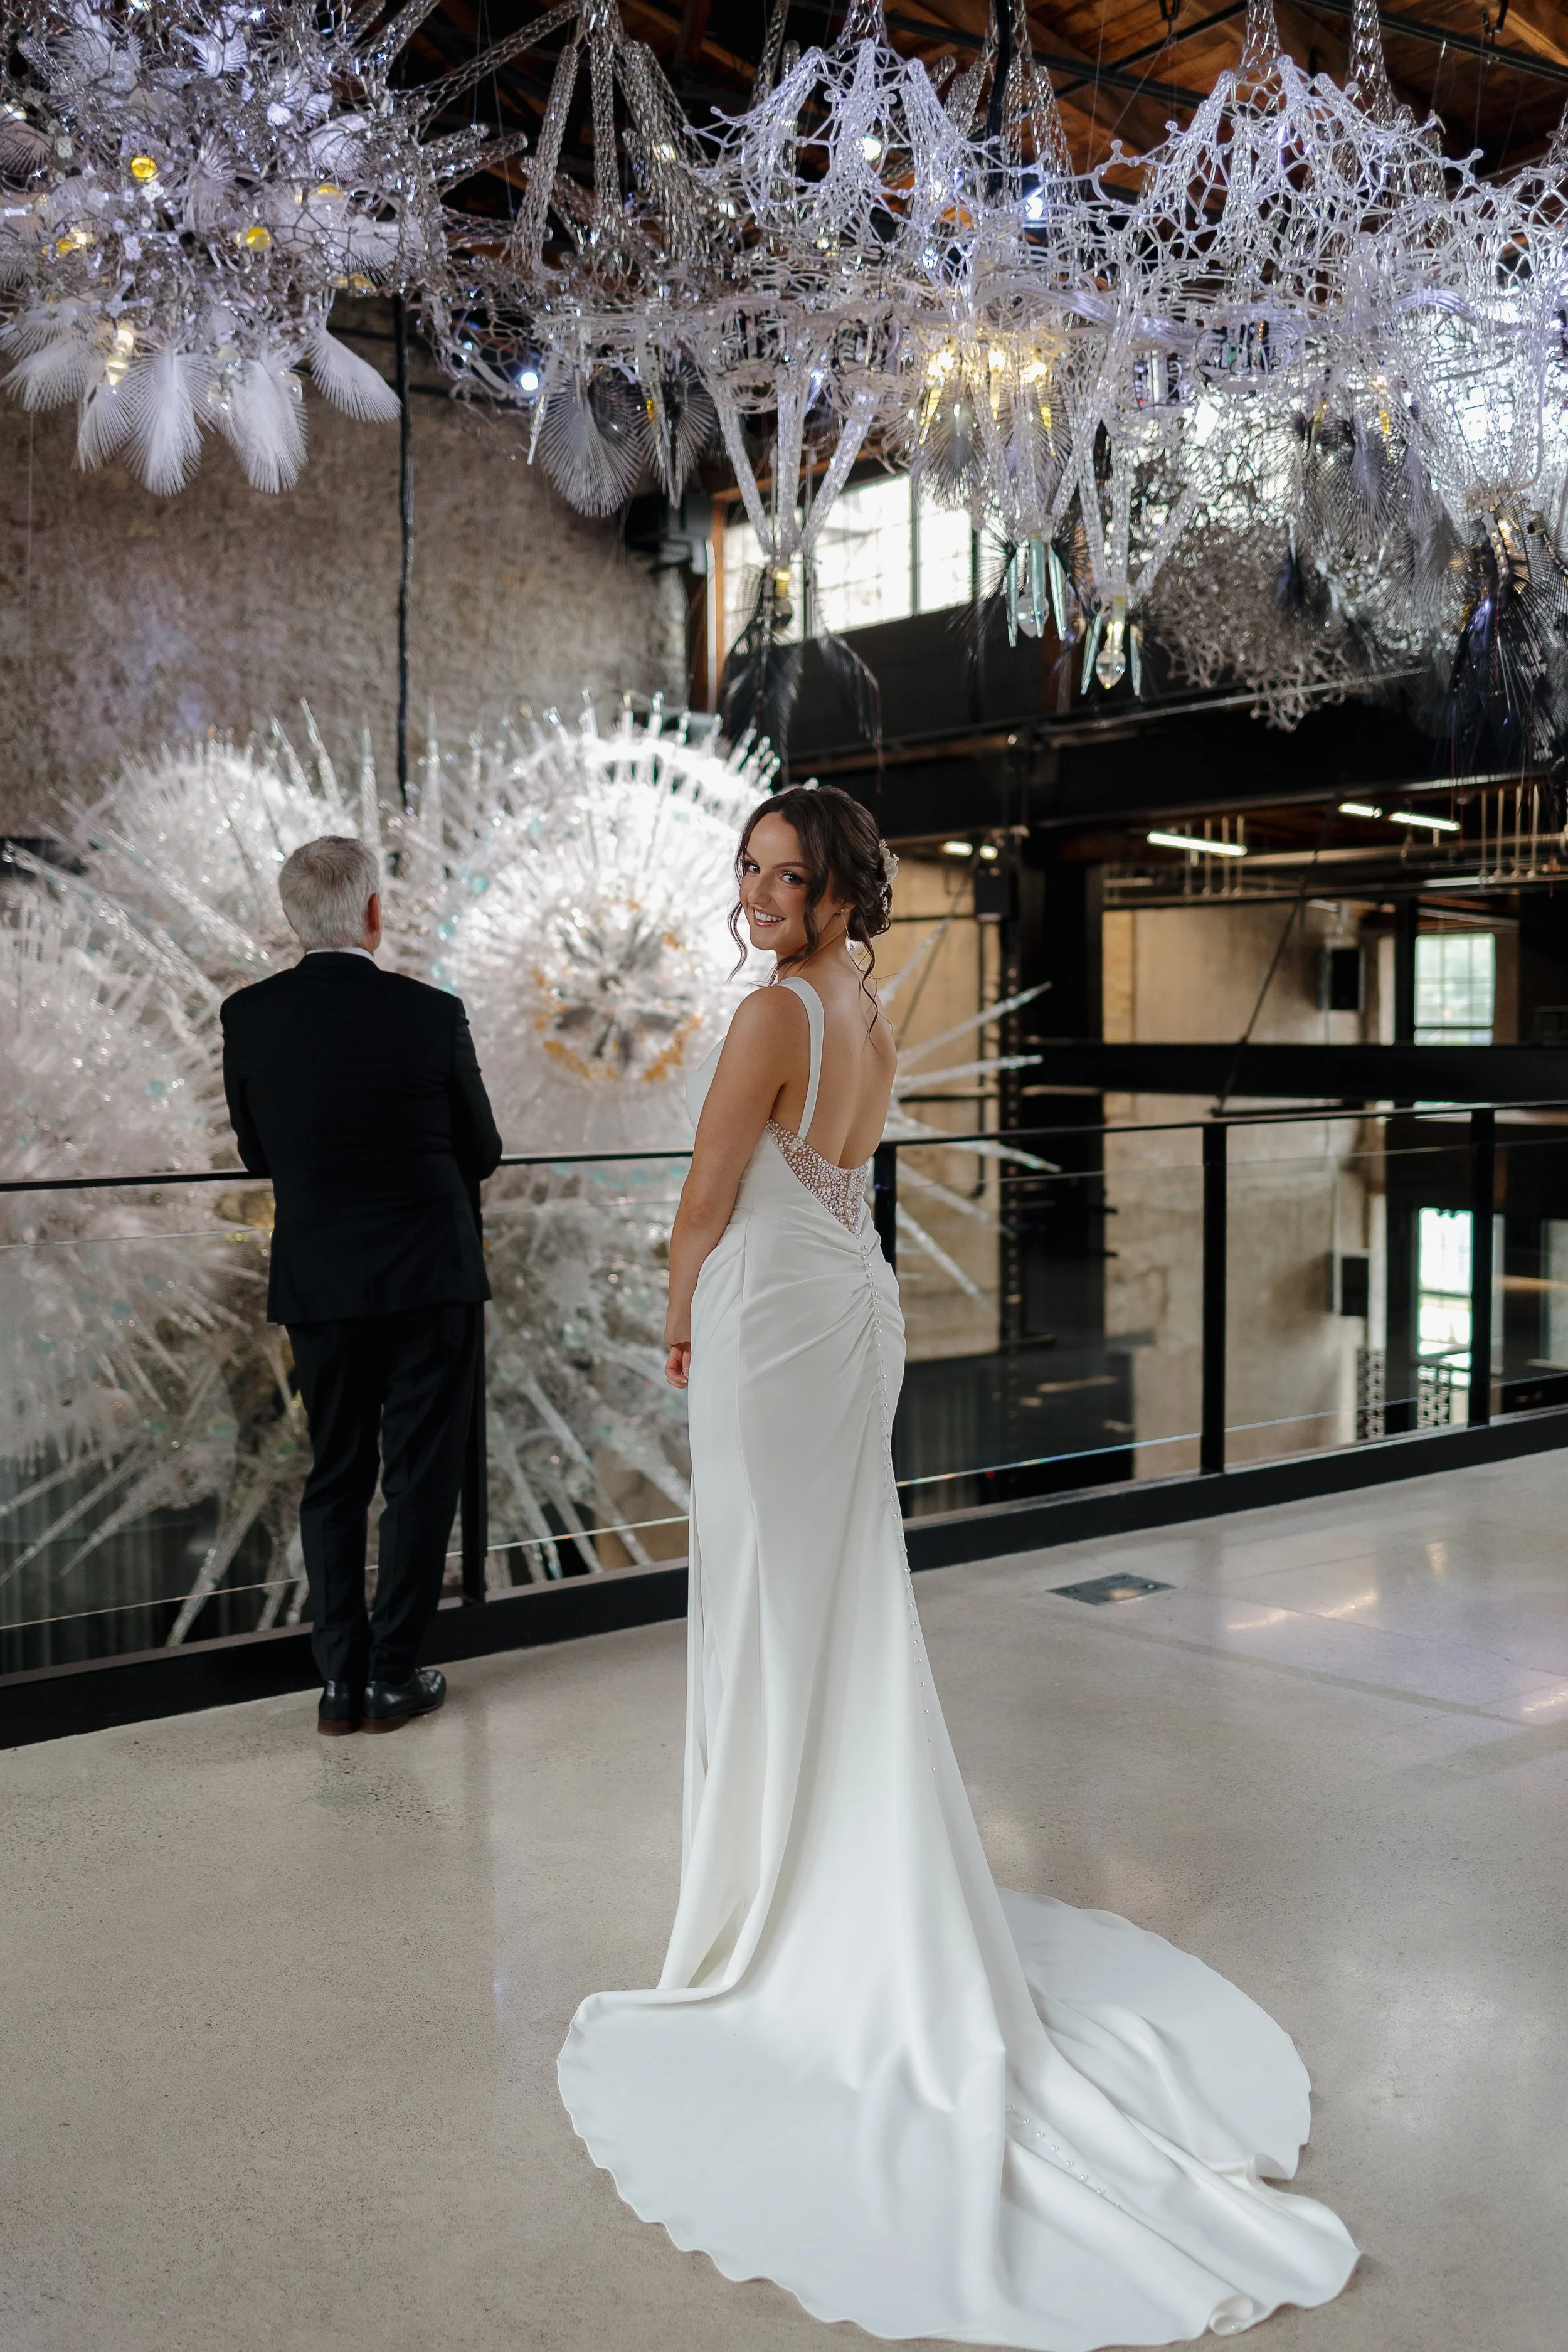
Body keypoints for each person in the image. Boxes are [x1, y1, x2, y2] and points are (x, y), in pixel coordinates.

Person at [558, 786, 1358, 2349]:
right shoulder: (858, 1001)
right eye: (751, 868)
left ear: (839, 891)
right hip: (845, 1307)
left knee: (779, 1620)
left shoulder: (774, 1014)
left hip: (774, 1317)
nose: (761, 892)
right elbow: (845, 1173)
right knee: (835, 1612)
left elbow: (710, 1194)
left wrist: (669, 1309)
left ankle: (777, 1910)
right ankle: (831, 1868)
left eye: (789, 875)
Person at [221, 835, 502, 1737]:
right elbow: (483, 1150)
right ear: (375, 913)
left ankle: (338, 1684)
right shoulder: (433, 1012)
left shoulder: (249, 1015)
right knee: (422, 1476)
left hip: (322, 1280)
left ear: (293, 921)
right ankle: (393, 1672)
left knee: (335, 1474)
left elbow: (259, 1151)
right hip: (431, 1273)